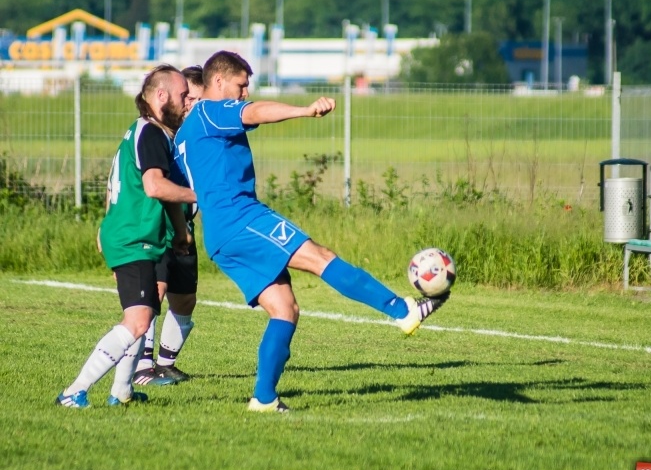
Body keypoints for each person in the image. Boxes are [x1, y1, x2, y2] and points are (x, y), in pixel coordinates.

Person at [174, 51, 449, 413]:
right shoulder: (212, 110)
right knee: (320, 257)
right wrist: (304, 110)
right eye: (241, 85)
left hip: (220, 235)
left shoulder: (186, 131)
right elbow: (253, 112)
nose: (244, 93)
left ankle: (264, 398)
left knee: (285, 310)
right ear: (220, 81)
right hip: (242, 220)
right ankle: (403, 310)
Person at [57, 64, 196, 407]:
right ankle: (74, 391)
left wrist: (180, 232)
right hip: (134, 239)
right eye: (182, 96)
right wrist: (203, 197)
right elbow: (154, 186)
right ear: (161, 96)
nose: (186, 102)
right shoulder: (150, 133)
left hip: (138, 236)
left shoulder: (145, 132)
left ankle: (122, 392)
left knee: (145, 313)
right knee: (136, 321)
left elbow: (161, 191)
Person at [133, 65, 205, 386]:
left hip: (183, 225)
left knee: (185, 298)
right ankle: (142, 366)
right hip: (158, 225)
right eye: (188, 97)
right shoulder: (159, 133)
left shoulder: (201, 132)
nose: (191, 104)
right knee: (155, 293)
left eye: (198, 99)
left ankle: (165, 364)